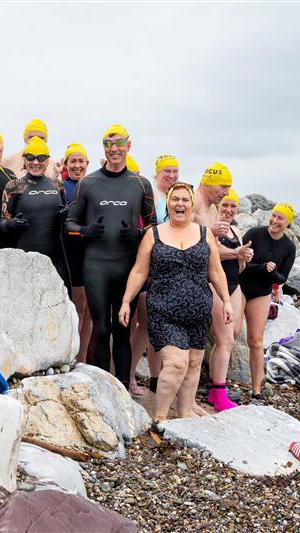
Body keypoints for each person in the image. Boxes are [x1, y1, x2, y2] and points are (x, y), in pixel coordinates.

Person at [119, 182, 233, 422]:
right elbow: (139, 271)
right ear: (168, 204)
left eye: (185, 200)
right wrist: (127, 301)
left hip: (198, 311)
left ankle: (183, 419)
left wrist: (227, 302)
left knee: (192, 366)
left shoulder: (204, 234)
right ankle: (159, 419)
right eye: (175, 199)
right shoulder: (154, 234)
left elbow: (216, 272)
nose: (180, 203)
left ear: (192, 205)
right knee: (176, 364)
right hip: (163, 310)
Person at [65, 124, 156, 389]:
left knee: (123, 329)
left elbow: (153, 226)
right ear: (103, 148)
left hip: (127, 265)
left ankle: (124, 386)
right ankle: (104, 388)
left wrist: (138, 234)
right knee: (101, 328)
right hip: (96, 265)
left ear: (128, 145)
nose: (113, 149)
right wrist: (86, 231)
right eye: (108, 144)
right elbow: (69, 223)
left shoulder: (140, 184)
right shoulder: (89, 183)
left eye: (118, 143)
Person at [128, 154, 179, 395]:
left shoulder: (174, 197)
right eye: (166, 171)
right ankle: (128, 375)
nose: (171, 175)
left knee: (155, 324)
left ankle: (156, 377)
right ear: (157, 173)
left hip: (165, 268)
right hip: (144, 264)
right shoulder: (152, 194)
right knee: (142, 322)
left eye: (175, 172)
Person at [238, 202, 296, 401]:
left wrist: (272, 272)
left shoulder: (288, 247)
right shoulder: (255, 234)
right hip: (240, 287)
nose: (275, 221)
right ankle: (215, 383)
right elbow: (240, 262)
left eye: (280, 218)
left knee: (256, 340)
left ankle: (256, 389)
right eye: (273, 216)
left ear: (287, 223)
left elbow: (282, 278)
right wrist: (262, 267)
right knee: (232, 333)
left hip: (261, 293)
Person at [0, 136, 70, 287]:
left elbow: (65, 221)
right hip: (26, 260)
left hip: (56, 258)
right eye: (30, 157)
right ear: (24, 160)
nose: (36, 162)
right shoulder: (13, 186)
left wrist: (64, 218)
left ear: (47, 160)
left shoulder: (58, 186)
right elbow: (2, 223)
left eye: (41, 157)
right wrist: (12, 224)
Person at [207, 188, 252, 411]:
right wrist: (237, 253)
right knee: (225, 339)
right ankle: (218, 391)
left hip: (234, 283)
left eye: (233, 206)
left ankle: (214, 386)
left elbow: (240, 262)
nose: (228, 210)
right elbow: (214, 252)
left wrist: (244, 256)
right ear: (217, 207)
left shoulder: (235, 230)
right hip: (216, 284)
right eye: (224, 205)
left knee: (229, 337)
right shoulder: (212, 229)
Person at [61, 143, 92, 364]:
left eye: (81, 161)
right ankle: (71, 358)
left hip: (91, 253)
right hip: (69, 253)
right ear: (65, 164)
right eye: (73, 161)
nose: (77, 165)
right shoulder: (61, 187)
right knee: (78, 307)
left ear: (87, 164)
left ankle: (81, 359)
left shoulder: (93, 187)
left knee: (90, 311)